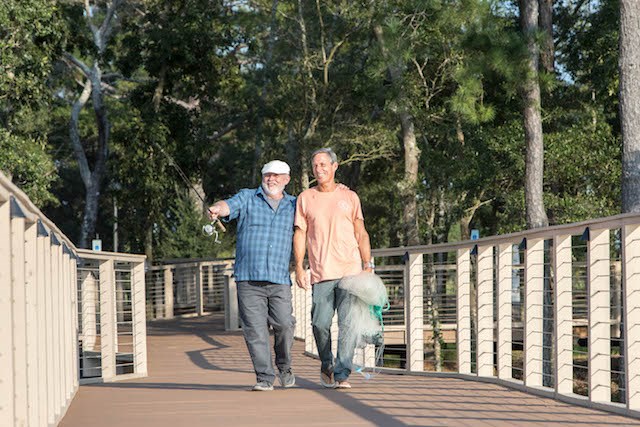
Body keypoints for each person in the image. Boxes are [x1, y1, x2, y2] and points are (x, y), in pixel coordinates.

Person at [208, 160, 296, 391]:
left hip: (279, 278)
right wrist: (217, 208)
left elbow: (319, 210)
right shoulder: (248, 197)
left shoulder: (295, 204)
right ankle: (264, 378)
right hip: (248, 277)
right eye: (268, 175)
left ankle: (285, 367)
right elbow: (227, 206)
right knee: (255, 330)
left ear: (287, 179)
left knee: (285, 325)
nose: (272, 179)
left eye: (277, 175)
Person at [293, 147, 373, 389]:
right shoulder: (305, 198)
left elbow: (361, 233)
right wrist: (298, 266)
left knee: (348, 324)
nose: (319, 169)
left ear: (335, 166)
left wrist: (368, 264)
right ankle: (326, 363)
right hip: (321, 272)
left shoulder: (350, 197)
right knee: (319, 323)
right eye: (315, 165)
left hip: (350, 271)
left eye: (324, 164)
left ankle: (342, 374)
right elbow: (300, 233)